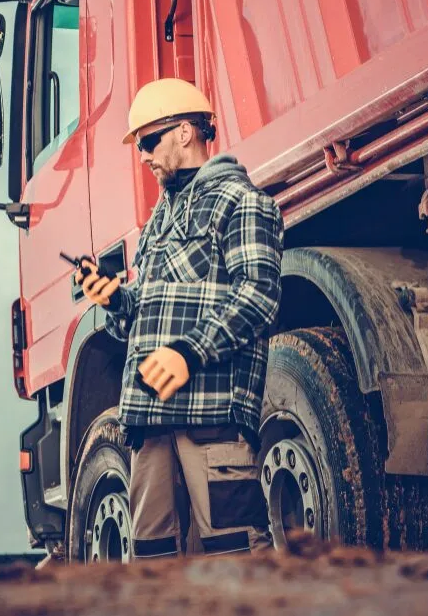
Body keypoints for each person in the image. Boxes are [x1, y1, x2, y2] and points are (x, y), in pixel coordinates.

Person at [75, 78, 284, 559]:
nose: (143, 155)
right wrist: (113, 301)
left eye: (149, 141)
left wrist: (189, 352)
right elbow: (137, 322)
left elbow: (259, 296)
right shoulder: (155, 226)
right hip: (150, 422)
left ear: (186, 132)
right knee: (153, 562)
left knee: (234, 557)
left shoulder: (242, 202)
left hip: (212, 418)